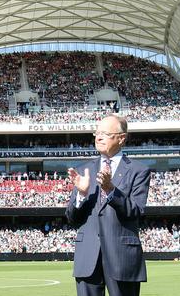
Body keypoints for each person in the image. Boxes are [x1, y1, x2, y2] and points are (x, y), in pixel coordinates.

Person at [66, 114, 151, 296]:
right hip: (87, 258)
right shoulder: (83, 170)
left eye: (105, 133)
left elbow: (135, 211)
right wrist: (81, 194)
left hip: (122, 257)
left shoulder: (139, 171)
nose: (98, 137)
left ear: (121, 138)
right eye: (97, 132)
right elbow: (72, 218)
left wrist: (111, 189)